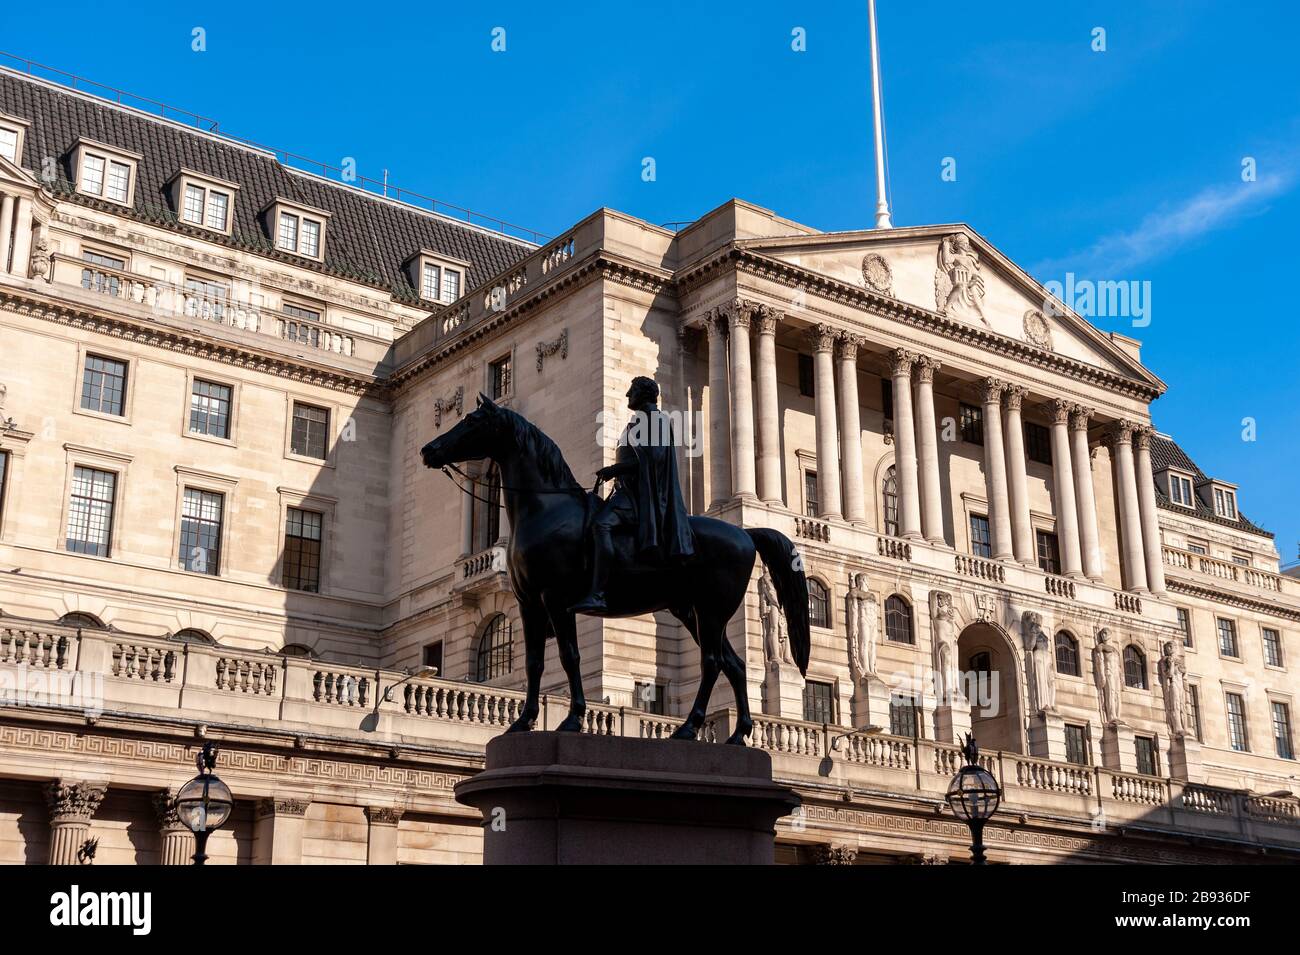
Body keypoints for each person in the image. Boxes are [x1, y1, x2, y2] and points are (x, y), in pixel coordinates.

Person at [569, 376, 695, 614]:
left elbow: (654, 460)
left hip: (641, 497)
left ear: (645, 394)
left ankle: (598, 594)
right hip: (625, 491)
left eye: (632, 390)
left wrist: (615, 469)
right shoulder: (639, 423)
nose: (628, 395)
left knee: (600, 526)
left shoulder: (655, 421)